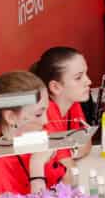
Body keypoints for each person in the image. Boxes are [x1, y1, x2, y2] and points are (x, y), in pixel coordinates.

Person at [0, 72, 53, 198]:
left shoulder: (32, 140)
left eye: (47, 110)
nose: (45, 121)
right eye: (38, 114)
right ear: (11, 117)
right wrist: (37, 167)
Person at [32, 47, 93, 189]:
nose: (88, 81)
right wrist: (70, 153)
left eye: (86, 74)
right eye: (78, 77)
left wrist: (68, 153)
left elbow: (87, 144)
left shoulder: (72, 102)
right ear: (56, 87)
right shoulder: (46, 113)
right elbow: (69, 175)